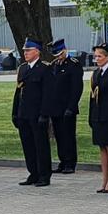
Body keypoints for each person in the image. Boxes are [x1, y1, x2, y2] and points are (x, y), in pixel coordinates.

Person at [13, 38, 52, 187]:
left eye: (28, 50)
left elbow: (48, 94)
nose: (25, 53)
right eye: (24, 50)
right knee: (28, 145)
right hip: (24, 113)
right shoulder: (23, 69)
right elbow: (18, 92)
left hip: (37, 114)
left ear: (37, 52)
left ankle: (44, 175)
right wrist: (15, 112)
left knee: (40, 145)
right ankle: (33, 173)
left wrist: (44, 114)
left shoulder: (44, 68)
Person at [44, 38, 82, 174]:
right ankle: (63, 161)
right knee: (59, 136)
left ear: (65, 50)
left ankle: (70, 162)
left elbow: (77, 88)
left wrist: (71, 107)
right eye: (56, 55)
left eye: (60, 54)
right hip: (56, 108)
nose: (59, 57)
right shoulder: (54, 65)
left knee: (68, 136)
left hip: (67, 106)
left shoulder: (73, 65)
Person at [87, 45, 108, 194]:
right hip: (98, 115)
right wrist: (91, 116)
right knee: (101, 146)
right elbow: (92, 96)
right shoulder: (96, 73)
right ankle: (104, 179)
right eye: (95, 56)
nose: (97, 59)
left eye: (100, 56)